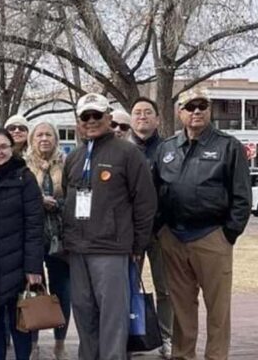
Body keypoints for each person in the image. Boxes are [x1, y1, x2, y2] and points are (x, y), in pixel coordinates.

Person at [154, 87, 251, 360]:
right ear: (179, 112)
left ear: (209, 110)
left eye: (202, 106)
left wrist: (228, 234)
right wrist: (160, 229)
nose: (196, 111)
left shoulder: (228, 146)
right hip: (174, 238)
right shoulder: (166, 148)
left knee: (218, 309)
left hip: (212, 236)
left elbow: (242, 196)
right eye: (190, 106)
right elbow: (155, 190)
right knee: (181, 307)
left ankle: (216, 356)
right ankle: (182, 355)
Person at [61, 93, 156, 360]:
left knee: (113, 318)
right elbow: (68, 197)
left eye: (97, 115)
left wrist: (138, 245)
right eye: (85, 116)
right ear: (78, 121)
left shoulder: (128, 153)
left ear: (108, 117)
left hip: (111, 249)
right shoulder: (74, 157)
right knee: (84, 313)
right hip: (78, 249)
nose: (91, 121)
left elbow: (145, 203)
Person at [0, 128, 43, 360]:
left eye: (3, 147)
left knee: (21, 324)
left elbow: (34, 225)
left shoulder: (24, 177)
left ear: (12, 149)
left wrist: (33, 267)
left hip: (18, 264)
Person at [129, 97, 173, 358]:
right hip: (131, 233)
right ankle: (131, 338)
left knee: (165, 289)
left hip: (161, 231)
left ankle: (167, 337)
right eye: (137, 112)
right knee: (128, 287)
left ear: (157, 119)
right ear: (131, 119)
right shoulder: (123, 150)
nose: (142, 116)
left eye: (148, 112)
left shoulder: (169, 149)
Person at [25, 122, 71, 360]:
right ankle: (32, 344)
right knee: (34, 290)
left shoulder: (66, 163)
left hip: (60, 238)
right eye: (39, 135)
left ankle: (60, 343)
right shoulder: (23, 166)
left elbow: (75, 197)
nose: (44, 138)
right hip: (32, 237)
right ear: (32, 139)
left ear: (55, 139)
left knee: (63, 291)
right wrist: (38, 201)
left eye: (48, 135)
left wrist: (57, 203)